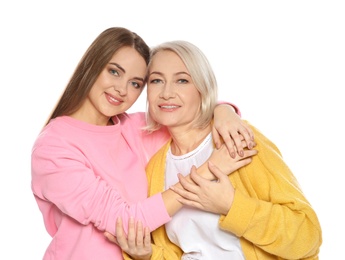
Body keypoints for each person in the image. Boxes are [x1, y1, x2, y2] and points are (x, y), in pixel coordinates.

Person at [31, 27, 257, 259]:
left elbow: (188, 116)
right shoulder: (52, 147)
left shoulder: (135, 129)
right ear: (91, 65)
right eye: (114, 72)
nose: (121, 90)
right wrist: (206, 171)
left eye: (136, 84)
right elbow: (126, 224)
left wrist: (224, 111)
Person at [113, 40, 322, 259]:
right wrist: (148, 255)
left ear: (203, 88)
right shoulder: (155, 168)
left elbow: (307, 235)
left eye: (182, 80)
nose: (166, 93)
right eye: (157, 80)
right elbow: (177, 252)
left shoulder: (237, 141)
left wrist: (231, 205)